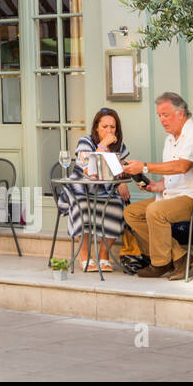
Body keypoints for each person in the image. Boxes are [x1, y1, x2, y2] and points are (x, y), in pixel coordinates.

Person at [121, 92, 193, 280]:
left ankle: (161, 263)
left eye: (165, 114)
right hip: (172, 195)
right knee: (131, 213)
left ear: (181, 113)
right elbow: (174, 176)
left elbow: (182, 166)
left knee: (156, 211)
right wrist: (157, 185)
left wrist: (144, 166)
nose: (161, 120)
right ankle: (180, 257)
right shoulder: (170, 139)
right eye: (159, 116)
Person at [57, 108, 135, 272]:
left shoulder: (119, 145)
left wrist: (121, 181)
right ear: (96, 127)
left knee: (117, 205)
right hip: (80, 189)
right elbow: (89, 170)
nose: (109, 131)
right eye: (105, 126)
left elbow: (121, 168)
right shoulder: (85, 142)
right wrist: (103, 145)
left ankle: (103, 255)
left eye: (112, 127)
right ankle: (85, 256)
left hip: (104, 191)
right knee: (83, 206)